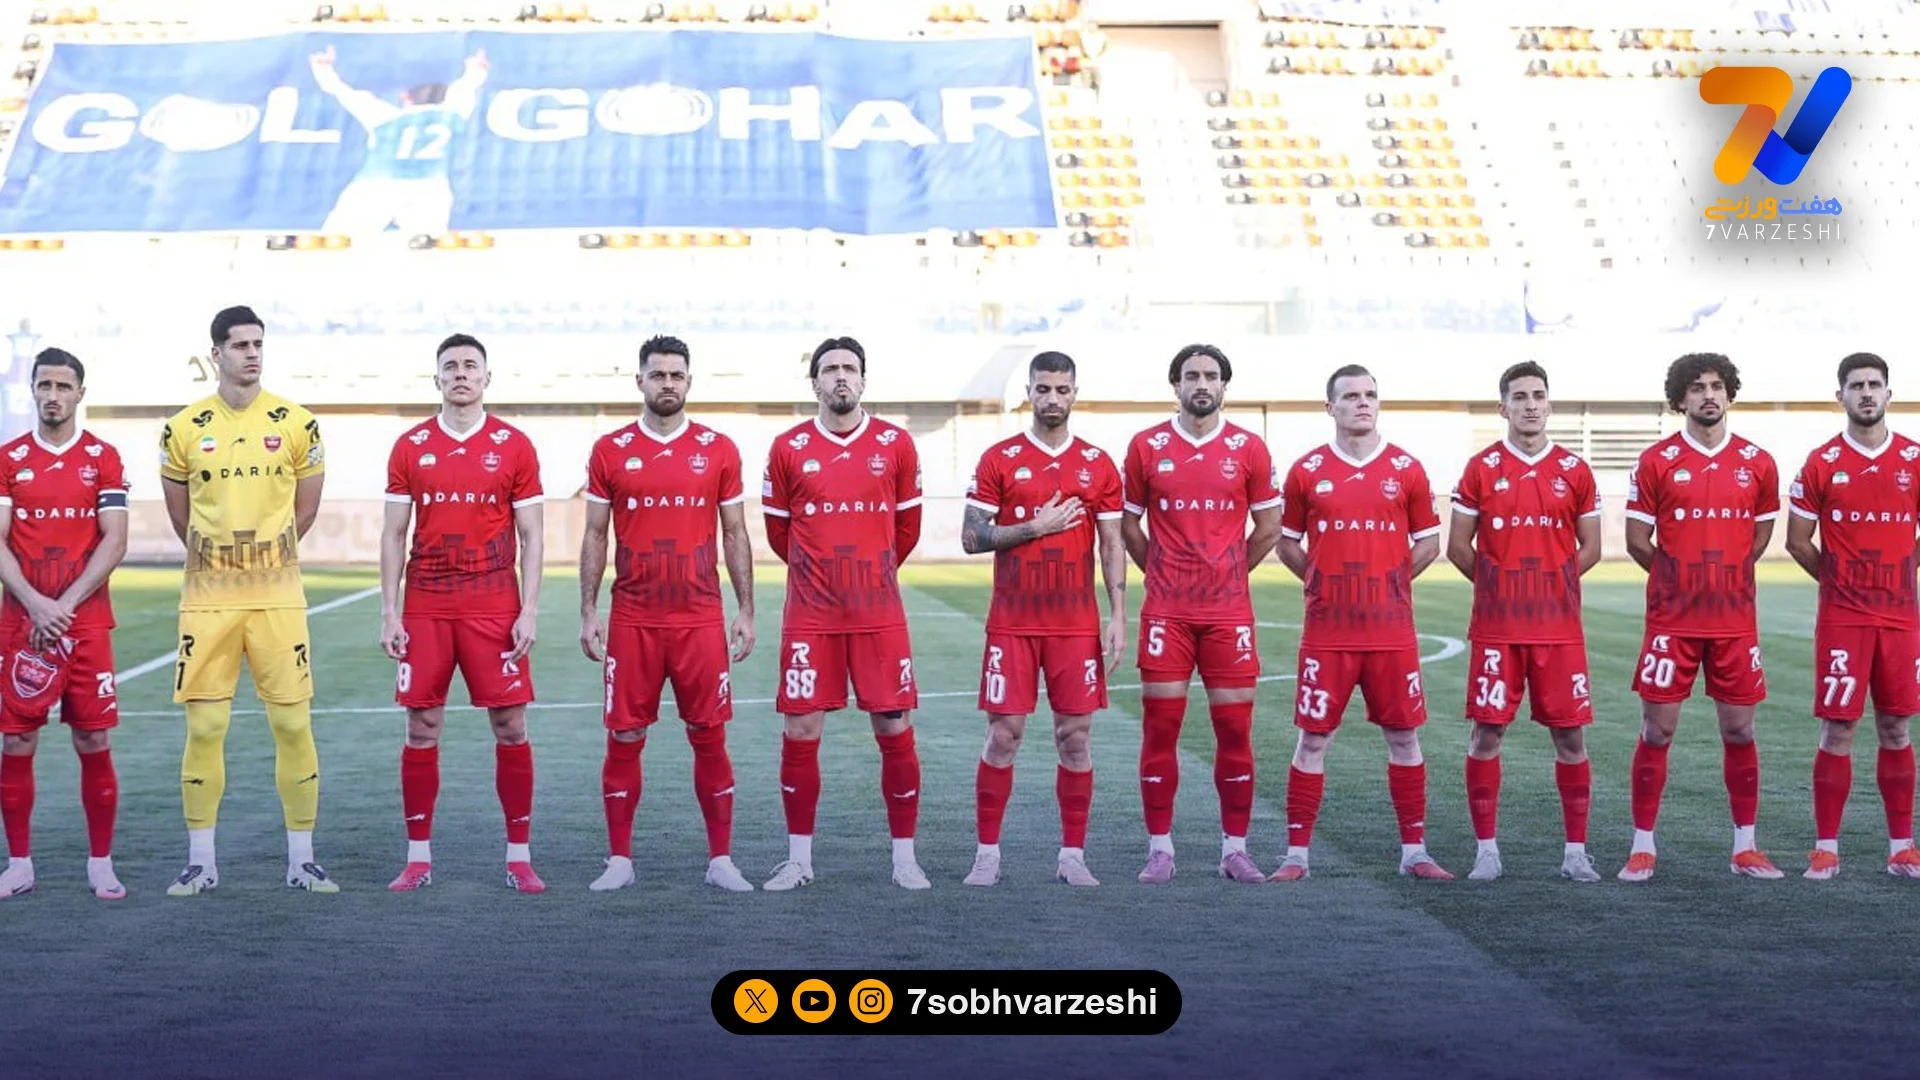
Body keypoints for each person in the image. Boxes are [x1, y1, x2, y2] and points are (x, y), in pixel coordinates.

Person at [160, 306, 333, 894]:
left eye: (258, 343)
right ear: (216, 353)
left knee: (293, 724)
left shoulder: (298, 423)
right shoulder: (183, 428)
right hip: (207, 601)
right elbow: (181, 518)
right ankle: (201, 862)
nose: (252, 353)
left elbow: (305, 509)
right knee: (206, 727)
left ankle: (302, 860)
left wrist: (264, 561)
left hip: (278, 598)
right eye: (240, 345)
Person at [579, 335, 757, 893]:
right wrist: (588, 611)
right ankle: (619, 860)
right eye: (657, 375)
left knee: (709, 732)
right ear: (640, 381)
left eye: (676, 375)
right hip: (633, 617)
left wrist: (746, 610)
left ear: (689, 381)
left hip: (699, 617)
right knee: (625, 734)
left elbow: (735, 532)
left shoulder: (718, 449)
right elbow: (595, 534)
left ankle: (721, 860)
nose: (667, 384)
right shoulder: (610, 450)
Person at [379, 334, 545, 893]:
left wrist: (529, 609)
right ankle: (417, 859)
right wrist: (389, 612)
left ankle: (519, 858)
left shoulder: (514, 445)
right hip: (427, 604)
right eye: (450, 366)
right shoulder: (410, 446)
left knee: (510, 724)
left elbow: (532, 534)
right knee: (421, 726)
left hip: (493, 603)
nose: (460, 373)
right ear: (437, 379)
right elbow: (394, 533)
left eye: (471, 365)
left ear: (486, 377)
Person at [1273, 364, 1452, 882]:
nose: (1363, 403)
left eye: (1370, 394)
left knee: (1404, 739)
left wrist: (1391, 582)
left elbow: (1429, 541)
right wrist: (1321, 581)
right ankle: (1296, 856)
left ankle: (1414, 852)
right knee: (1312, 741)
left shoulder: (1406, 468)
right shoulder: (1307, 470)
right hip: (1327, 634)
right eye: (1351, 396)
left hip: (1391, 633)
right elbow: (1286, 542)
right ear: (1330, 407)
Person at [761, 337, 926, 890]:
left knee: (894, 726)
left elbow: (907, 530)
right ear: (814, 382)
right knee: (801, 727)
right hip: (811, 615)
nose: (840, 377)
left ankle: (904, 859)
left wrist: (869, 574)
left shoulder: (896, 444)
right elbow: (780, 534)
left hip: (878, 613)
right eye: (829, 369)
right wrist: (821, 577)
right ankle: (799, 860)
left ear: (863, 379)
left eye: (849, 369)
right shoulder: (787, 447)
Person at [959, 351, 1127, 888]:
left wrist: (1118, 616)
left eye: (1062, 389)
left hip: (1075, 626)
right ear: (1028, 392)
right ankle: (987, 855)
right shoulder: (999, 458)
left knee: (1075, 737)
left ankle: (1072, 856)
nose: (1053, 398)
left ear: (1075, 393)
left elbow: (1112, 544)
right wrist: (1035, 527)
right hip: (1012, 623)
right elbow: (971, 537)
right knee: (1003, 734)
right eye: (1043, 388)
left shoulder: (1099, 463)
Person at [1121, 344, 1282, 884]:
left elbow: (1269, 527)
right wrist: (1159, 570)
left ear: (1224, 386)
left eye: (1212, 376)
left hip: (1227, 613)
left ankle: (1234, 849)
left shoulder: (1249, 447)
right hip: (1167, 612)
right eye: (1191, 376)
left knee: (1234, 731)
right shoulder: (1146, 446)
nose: (1202, 384)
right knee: (1160, 728)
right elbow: (1128, 524)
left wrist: (1230, 571)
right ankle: (1160, 849)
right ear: (1176, 385)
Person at [1618, 352, 1782, 881]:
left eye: (1716, 386)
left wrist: (1727, 577)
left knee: (1740, 732)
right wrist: (1679, 581)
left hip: (1734, 622)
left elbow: (1760, 534)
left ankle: (1745, 847)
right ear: (1680, 398)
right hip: (1672, 622)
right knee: (1657, 732)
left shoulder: (1758, 461)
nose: (1708, 395)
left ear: (1728, 393)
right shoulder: (1656, 460)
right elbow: (1637, 540)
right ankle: (1643, 846)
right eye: (1696, 387)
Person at [1446, 362, 1603, 883]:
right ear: (1503, 408)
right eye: (1520, 397)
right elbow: (1458, 547)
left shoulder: (1575, 470)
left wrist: (1549, 588)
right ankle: (1486, 852)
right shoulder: (1480, 468)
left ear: (1549, 404)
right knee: (1486, 735)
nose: (1530, 405)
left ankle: (1575, 853)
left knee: (1571, 739)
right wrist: (1502, 590)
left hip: (1559, 631)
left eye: (1538, 396)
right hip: (1498, 630)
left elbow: (1591, 547)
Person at [1784, 352, 1920, 880]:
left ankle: (1902, 848)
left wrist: (1901, 573)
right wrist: (1840, 583)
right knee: (1838, 728)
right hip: (1843, 618)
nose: (1866, 393)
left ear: (1888, 394)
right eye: (1856, 385)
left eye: (1874, 384)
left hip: (1901, 618)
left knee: (1896, 727)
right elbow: (1798, 541)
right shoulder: (1821, 462)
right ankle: (1825, 848)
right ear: (1839, 395)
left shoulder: (1913, 458)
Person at [0, 348, 129, 900]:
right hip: (20, 622)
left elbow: (115, 541)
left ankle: (100, 863)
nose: (53, 395)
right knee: (17, 741)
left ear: (80, 393)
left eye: (62, 386)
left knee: (93, 736)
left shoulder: (103, 457)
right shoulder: (8, 459)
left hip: (86, 622)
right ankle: (19, 865)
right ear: (33, 390)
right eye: (44, 385)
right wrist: (35, 604)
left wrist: (64, 606)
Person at [309, 45, 489, 237]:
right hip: (429, 189)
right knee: (427, 243)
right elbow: (465, 88)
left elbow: (342, 92)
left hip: (377, 186)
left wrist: (323, 70)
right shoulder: (453, 115)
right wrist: (476, 70)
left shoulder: (384, 117)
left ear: (405, 97)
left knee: (336, 242)